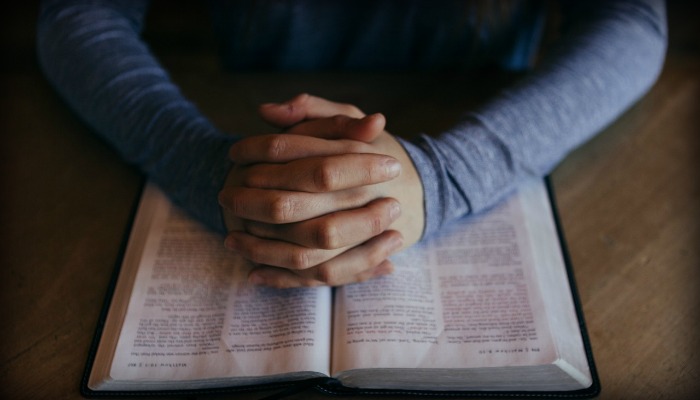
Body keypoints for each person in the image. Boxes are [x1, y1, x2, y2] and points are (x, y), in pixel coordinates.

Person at [37, 0, 667, 288]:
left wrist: (444, 178)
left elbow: (631, 17)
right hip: (248, 130)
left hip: (481, 118)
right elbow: (76, 15)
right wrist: (212, 167)